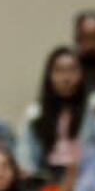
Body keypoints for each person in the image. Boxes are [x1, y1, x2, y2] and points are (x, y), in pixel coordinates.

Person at [22, 46, 88, 178]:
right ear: (49, 76)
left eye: (72, 70)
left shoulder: (93, 109)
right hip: (46, 179)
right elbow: (26, 159)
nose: (66, 78)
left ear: (82, 74)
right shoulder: (35, 113)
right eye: (60, 71)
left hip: (83, 178)